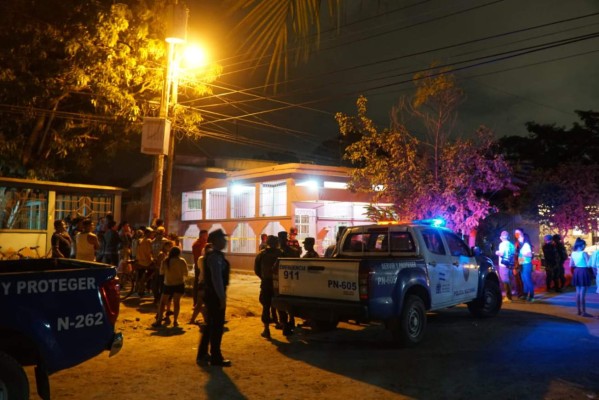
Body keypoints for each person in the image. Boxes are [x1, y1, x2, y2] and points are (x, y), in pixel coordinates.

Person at [197, 229, 232, 367]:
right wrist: (222, 298)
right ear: (216, 241)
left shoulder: (213, 255)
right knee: (217, 327)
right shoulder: (215, 257)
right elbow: (217, 279)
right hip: (215, 296)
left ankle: (202, 354)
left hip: (211, 294)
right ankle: (216, 357)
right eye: (222, 239)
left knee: (209, 325)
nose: (225, 241)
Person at [153, 246, 188, 328]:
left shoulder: (165, 261)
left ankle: (159, 320)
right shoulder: (182, 261)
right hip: (179, 284)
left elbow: (161, 273)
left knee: (162, 303)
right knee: (176, 303)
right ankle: (175, 321)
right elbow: (186, 273)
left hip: (168, 284)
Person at [254, 235, 281, 339]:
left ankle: (267, 329)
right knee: (278, 304)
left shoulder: (262, 254)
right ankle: (281, 324)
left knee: (266, 306)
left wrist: (263, 278)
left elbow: (256, 270)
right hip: (278, 283)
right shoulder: (281, 254)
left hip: (266, 283)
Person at [189, 243, 212, 325]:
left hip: (202, 283)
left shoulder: (200, 259)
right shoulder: (214, 260)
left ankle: (193, 319)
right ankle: (207, 320)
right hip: (210, 284)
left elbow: (199, 269)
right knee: (208, 304)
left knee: (199, 303)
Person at [570, 238, 593, 317]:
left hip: (577, 271)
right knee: (582, 293)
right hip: (583, 271)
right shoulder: (584, 253)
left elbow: (571, 264)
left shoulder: (573, 253)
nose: (585, 246)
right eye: (584, 245)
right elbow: (588, 264)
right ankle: (584, 312)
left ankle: (578, 311)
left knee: (578, 292)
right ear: (582, 245)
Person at [495, 230, 515, 302]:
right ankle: (510, 295)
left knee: (505, 280)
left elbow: (502, 253)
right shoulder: (511, 245)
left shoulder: (502, 244)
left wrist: (497, 252)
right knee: (509, 279)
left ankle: (508, 297)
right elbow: (513, 254)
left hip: (503, 264)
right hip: (510, 264)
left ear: (501, 237)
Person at [191, 230, 208, 308]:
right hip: (199, 267)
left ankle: (202, 302)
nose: (207, 236)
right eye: (206, 235)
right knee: (198, 284)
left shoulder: (204, 243)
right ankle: (196, 302)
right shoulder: (197, 244)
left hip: (204, 266)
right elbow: (200, 257)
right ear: (202, 235)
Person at [517, 230, 535, 302]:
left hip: (527, 264)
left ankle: (531, 295)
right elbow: (520, 256)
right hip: (523, 264)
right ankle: (525, 294)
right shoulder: (522, 246)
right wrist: (520, 263)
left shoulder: (526, 245)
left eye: (520, 237)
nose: (518, 238)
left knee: (527, 280)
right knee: (524, 280)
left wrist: (523, 255)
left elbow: (530, 254)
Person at [512, 228, 525, 299]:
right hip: (518, 262)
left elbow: (520, 255)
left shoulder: (521, 243)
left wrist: (517, 266)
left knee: (520, 278)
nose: (516, 234)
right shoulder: (517, 242)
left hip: (520, 263)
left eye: (518, 233)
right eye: (515, 233)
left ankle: (521, 293)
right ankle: (520, 292)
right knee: (518, 278)